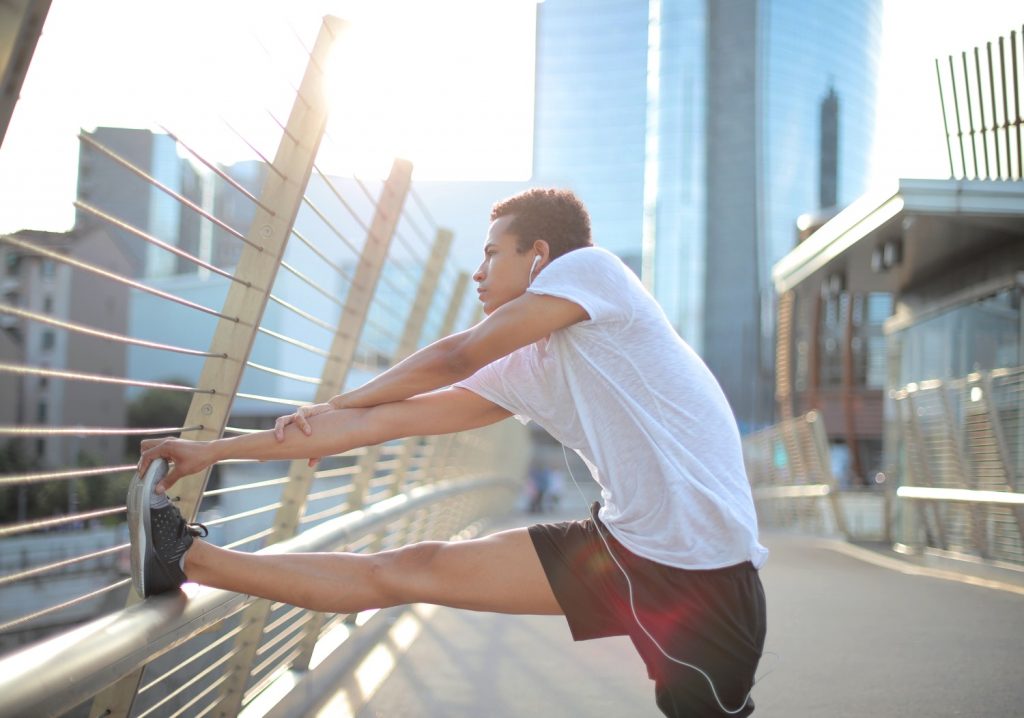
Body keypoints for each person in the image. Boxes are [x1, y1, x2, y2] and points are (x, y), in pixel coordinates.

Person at [131, 188, 768, 717]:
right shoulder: (529, 365)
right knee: (408, 568)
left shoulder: (591, 269)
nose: (478, 271)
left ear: (540, 258)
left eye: (493, 253)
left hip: (702, 570)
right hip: (624, 546)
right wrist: (210, 451)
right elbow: (377, 426)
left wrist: (338, 402)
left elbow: (454, 357)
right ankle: (189, 559)